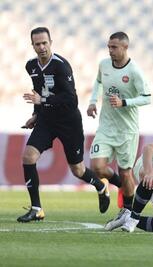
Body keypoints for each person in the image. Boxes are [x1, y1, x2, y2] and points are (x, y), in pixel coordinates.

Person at [19, 27, 110, 222]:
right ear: (32, 45)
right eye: (37, 44)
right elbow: (39, 90)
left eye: (45, 43)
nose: (42, 47)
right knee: (28, 157)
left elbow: (71, 100)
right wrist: (36, 114)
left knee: (77, 170)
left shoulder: (61, 66)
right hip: (46, 121)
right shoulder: (31, 66)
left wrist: (41, 101)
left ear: (51, 42)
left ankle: (101, 186)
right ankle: (37, 209)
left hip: (69, 122)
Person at [87, 32, 151, 217]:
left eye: (114, 47)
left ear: (125, 47)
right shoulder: (104, 65)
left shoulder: (134, 72)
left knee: (126, 173)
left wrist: (125, 102)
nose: (110, 51)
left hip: (126, 131)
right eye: (108, 46)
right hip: (106, 127)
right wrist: (92, 102)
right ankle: (110, 186)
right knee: (96, 167)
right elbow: (98, 81)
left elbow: (147, 98)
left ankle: (128, 211)